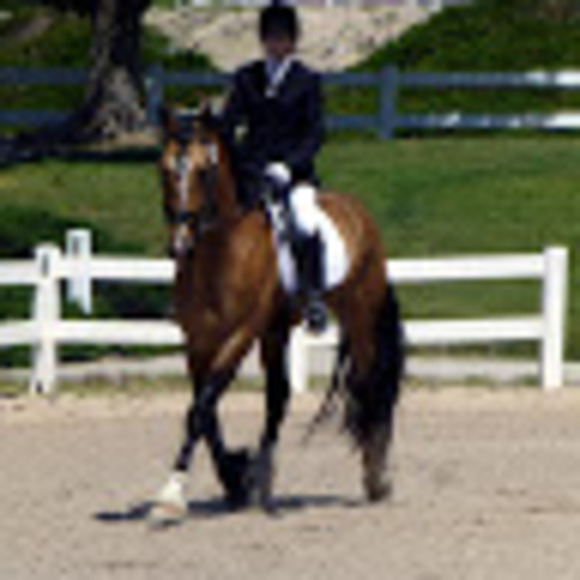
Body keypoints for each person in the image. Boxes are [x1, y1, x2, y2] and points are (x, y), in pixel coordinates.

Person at [221, 0, 327, 333]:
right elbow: (229, 125)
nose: (277, 44)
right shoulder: (246, 78)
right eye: (271, 37)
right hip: (252, 173)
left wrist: (289, 166)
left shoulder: (307, 81)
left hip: (293, 176)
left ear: (293, 41)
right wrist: (242, 163)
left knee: (306, 222)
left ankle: (312, 296)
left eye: (283, 38)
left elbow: (314, 134)